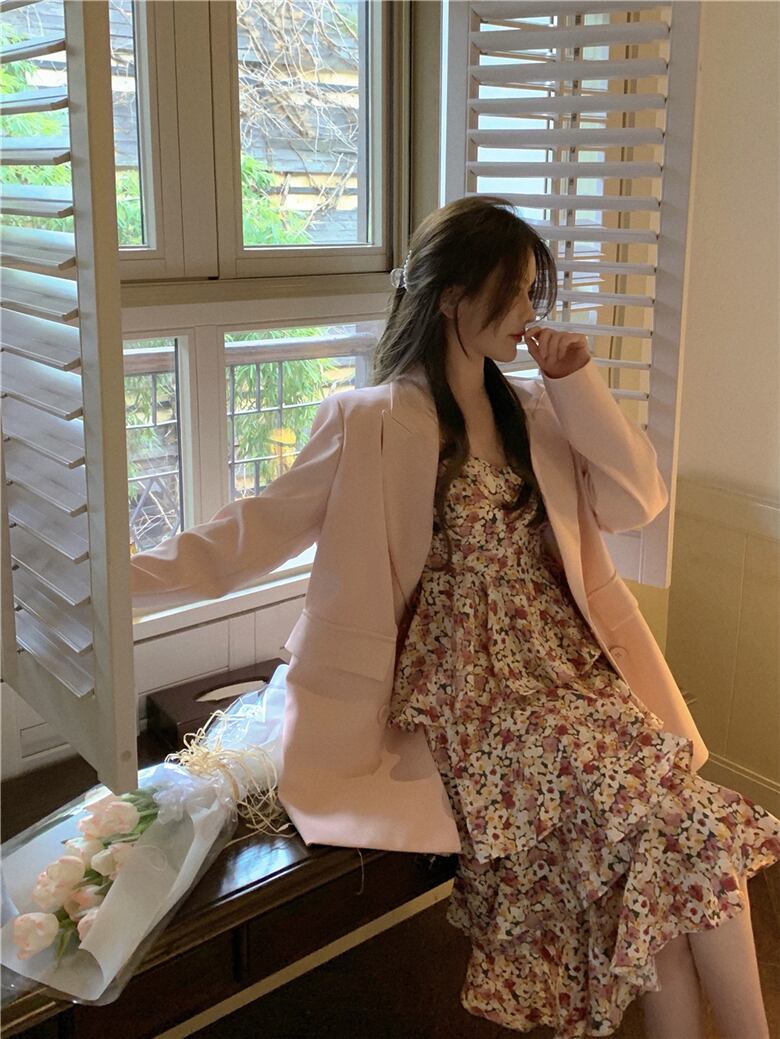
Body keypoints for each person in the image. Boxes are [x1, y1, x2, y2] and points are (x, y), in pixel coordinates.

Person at [131, 195, 780, 1039]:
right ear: (452, 297)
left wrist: (577, 380)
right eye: (514, 291)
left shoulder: (537, 410)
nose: (529, 311)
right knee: (684, 830)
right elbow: (245, 537)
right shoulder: (370, 421)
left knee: (673, 847)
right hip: (476, 695)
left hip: (567, 671)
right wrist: (113, 582)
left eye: (533, 292)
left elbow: (636, 502)